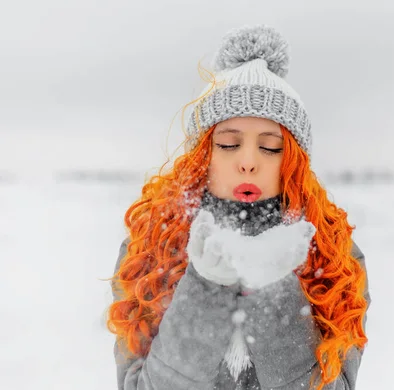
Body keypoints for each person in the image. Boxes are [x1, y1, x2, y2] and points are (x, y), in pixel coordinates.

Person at [107, 25, 370, 390]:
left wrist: (275, 292)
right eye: (229, 144)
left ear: (292, 160)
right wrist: (206, 286)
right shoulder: (152, 246)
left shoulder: (332, 252)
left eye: (271, 147)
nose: (248, 162)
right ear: (203, 156)